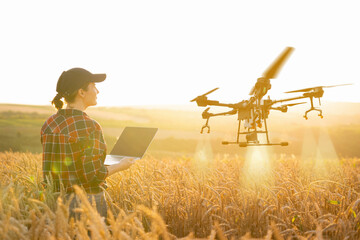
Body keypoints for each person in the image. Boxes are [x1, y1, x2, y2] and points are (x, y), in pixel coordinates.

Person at [41, 67, 136, 221]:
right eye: (94, 86)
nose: (97, 91)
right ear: (82, 92)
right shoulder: (89, 126)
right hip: (85, 202)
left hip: (53, 202)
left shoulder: (49, 123)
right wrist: (121, 165)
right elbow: (92, 176)